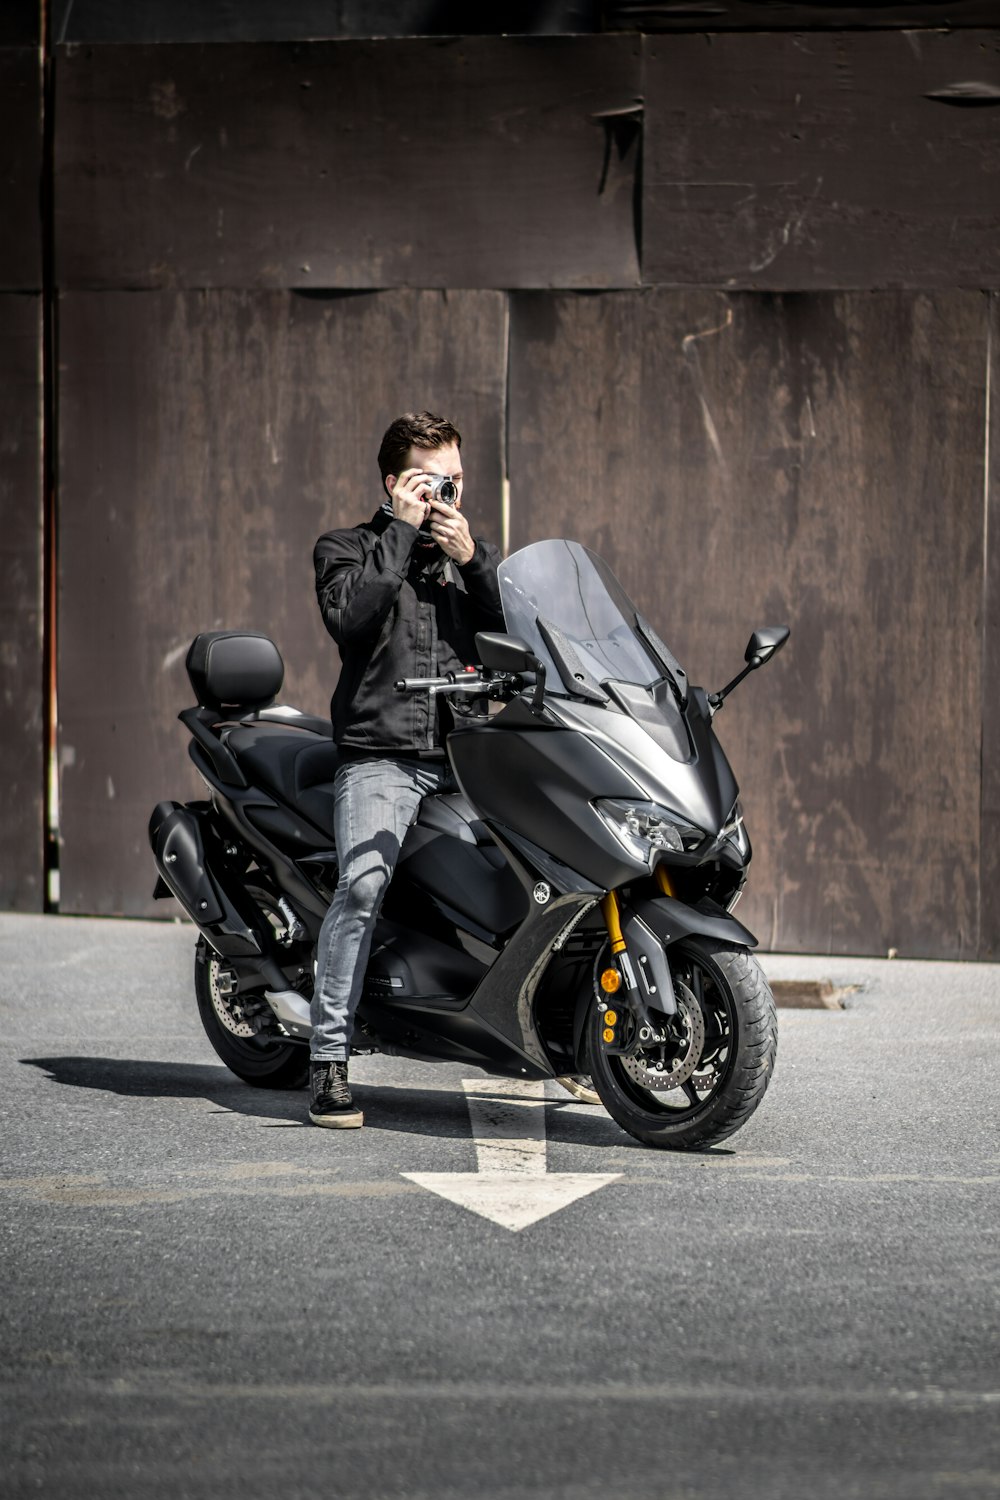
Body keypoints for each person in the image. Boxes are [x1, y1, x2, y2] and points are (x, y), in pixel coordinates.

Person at [308, 411, 505, 1128]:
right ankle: (328, 1059)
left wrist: (474, 561)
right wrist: (399, 529)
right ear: (394, 483)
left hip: (468, 756)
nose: (443, 496)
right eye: (428, 482)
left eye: (453, 480)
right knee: (361, 886)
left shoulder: (468, 560)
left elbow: (514, 633)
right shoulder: (347, 548)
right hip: (382, 757)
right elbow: (352, 620)